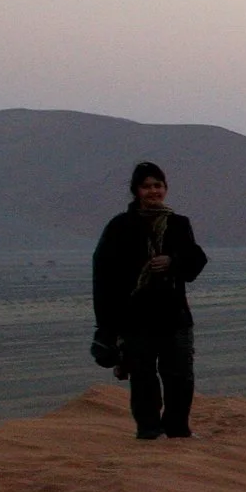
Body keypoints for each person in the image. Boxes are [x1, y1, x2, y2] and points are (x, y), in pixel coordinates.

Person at [91, 162, 208, 439]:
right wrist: (107, 325)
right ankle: (148, 429)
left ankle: (177, 428)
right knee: (142, 375)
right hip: (135, 317)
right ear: (136, 190)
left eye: (158, 185)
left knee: (179, 375)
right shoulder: (120, 226)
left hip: (174, 315)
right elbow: (103, 275)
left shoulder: (179, 224)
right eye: (147, 186)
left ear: (166, 189)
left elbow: (195, 261)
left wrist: (173, 262)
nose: (153, 191)